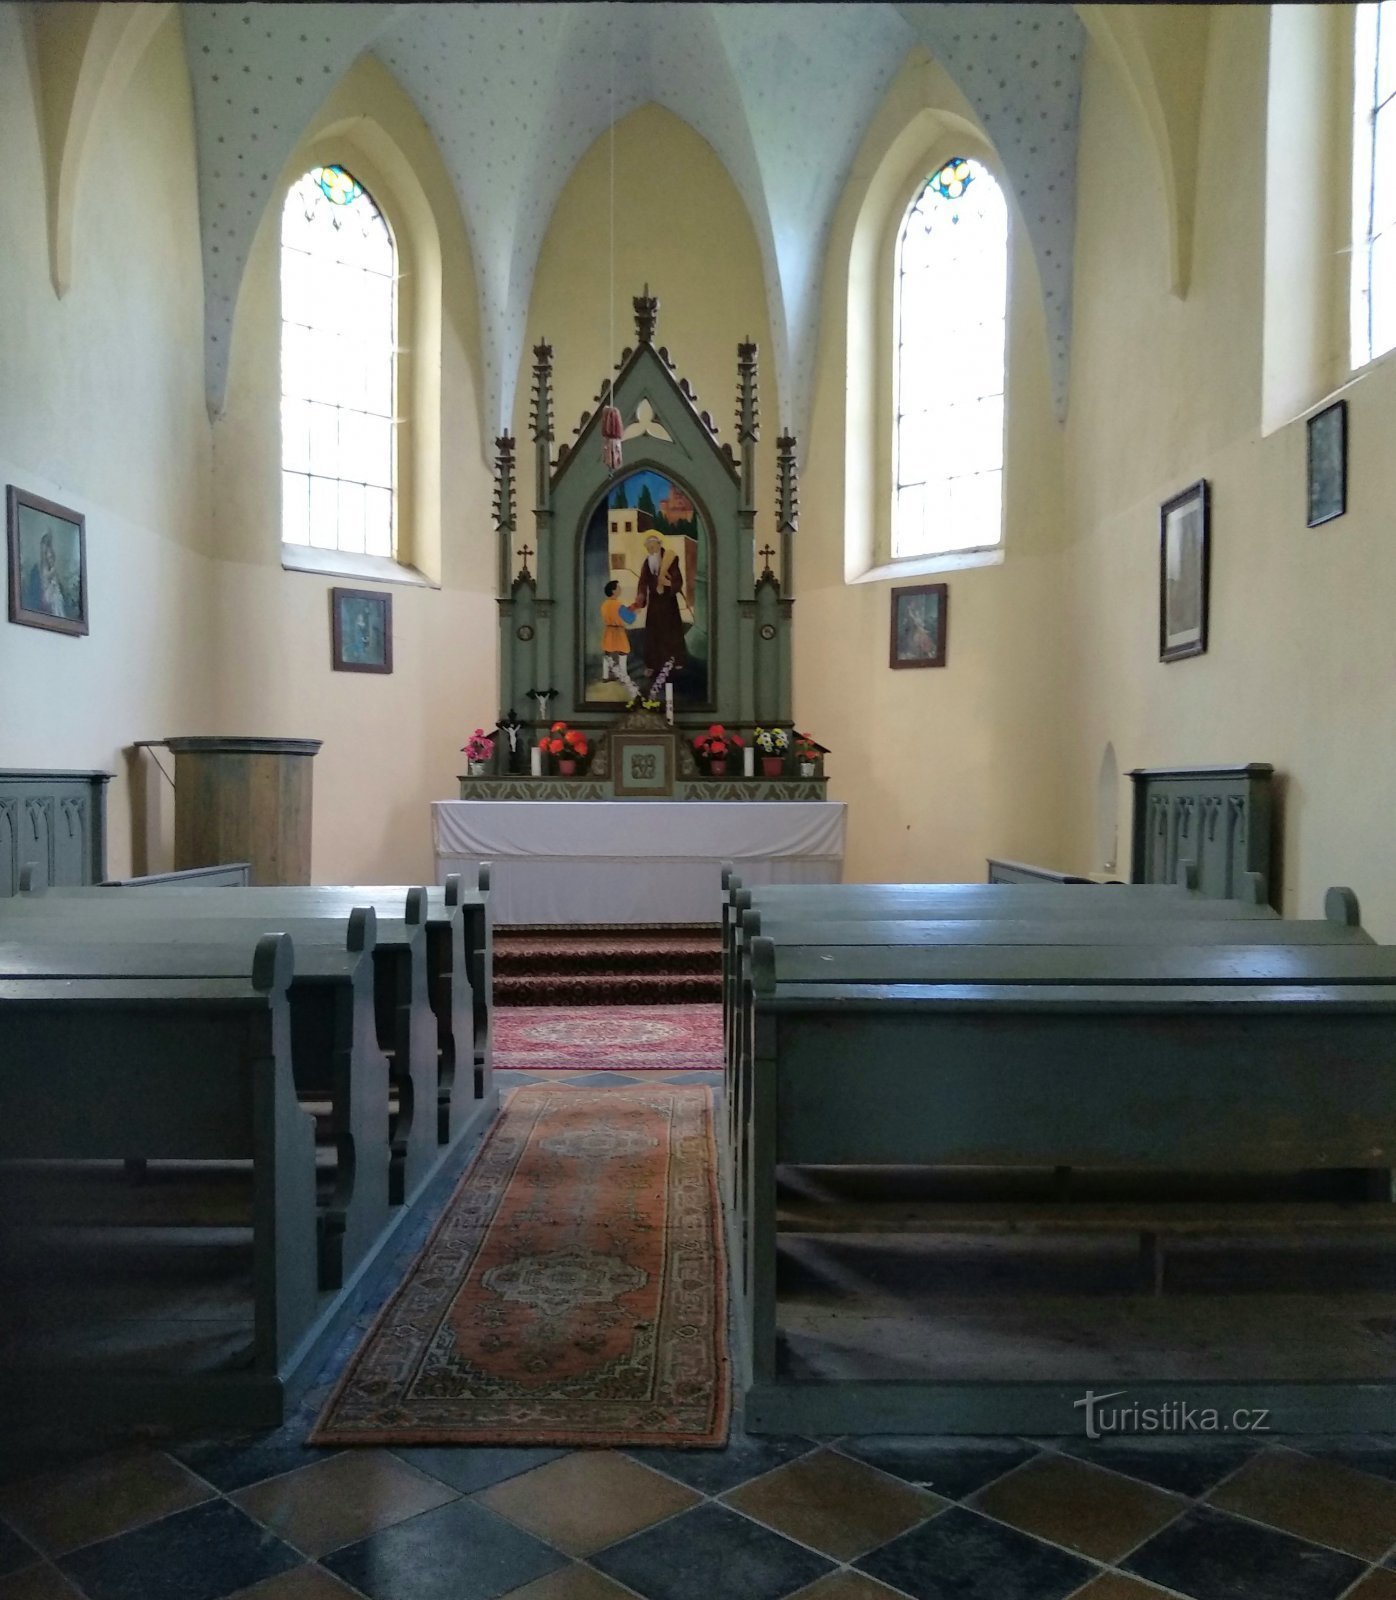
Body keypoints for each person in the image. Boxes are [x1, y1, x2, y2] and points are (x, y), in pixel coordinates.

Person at [631, 534, 687, 671]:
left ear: (659, 545)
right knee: (653, 634)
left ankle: (676, 661)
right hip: (654, 604)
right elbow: (643, 581)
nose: (650, 550)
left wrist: (667, 583)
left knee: (671, 632)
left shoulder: (671, 559)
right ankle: (652, 665)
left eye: (652, 547)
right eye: (648, 548)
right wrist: (641, 595)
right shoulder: (647, 562)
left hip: (669, 603)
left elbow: (678, 580)